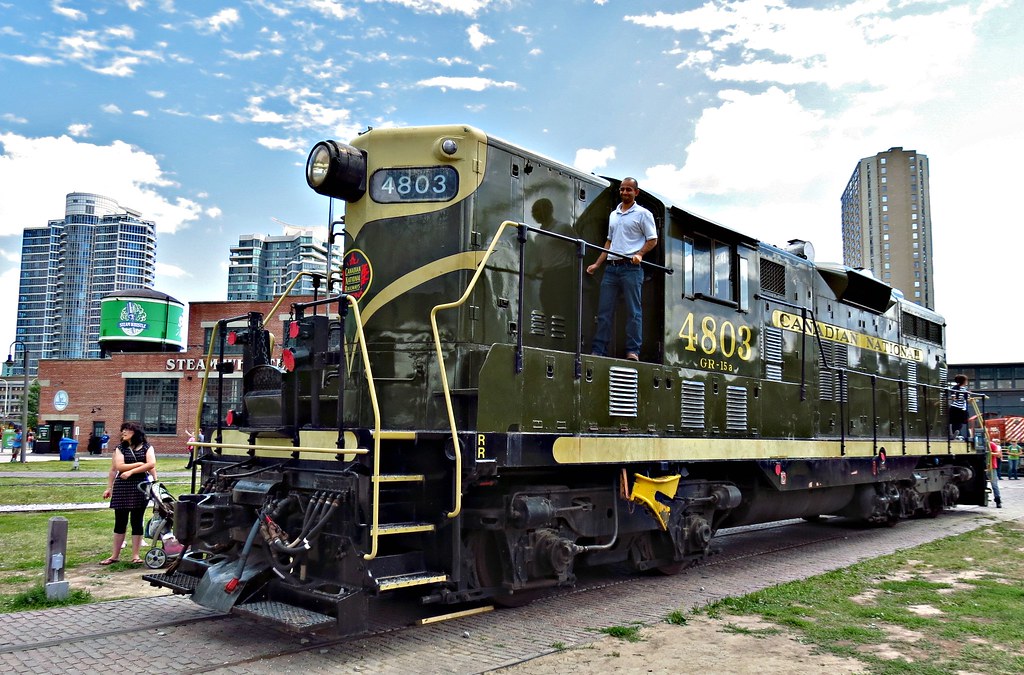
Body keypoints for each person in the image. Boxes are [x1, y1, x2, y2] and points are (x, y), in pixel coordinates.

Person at [586, 178, 658, 361]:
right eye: (622, 189)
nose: (625, 192)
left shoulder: (643, 214)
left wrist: (640, 254)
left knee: (633, 311)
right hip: (611, 268)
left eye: (628, 190)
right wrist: (597, 264)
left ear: (636, 192)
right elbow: (609, 242)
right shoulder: (614, 214)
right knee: (604, 311)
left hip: (631, 269)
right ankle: (599, 350)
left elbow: (653, 239)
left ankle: (633, 351)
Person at [101, 422, 157, 565]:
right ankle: (115, 555)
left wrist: (132, 471)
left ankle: (135, 555)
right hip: (122, 486)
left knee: (137, 521)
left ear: (136, 432)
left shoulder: (147, 447)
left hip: (140, 487)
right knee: (120, 521)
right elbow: (118, 467)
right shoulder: (120, 448)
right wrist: (139, 464)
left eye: (127, 430)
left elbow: (151, 464)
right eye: (123, 430)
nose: (123, 432)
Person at [947, 374, 969, 440]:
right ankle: (954, 434)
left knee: (957, 422)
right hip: (958, 408)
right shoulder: (958, 388)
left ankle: (955, 433)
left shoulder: (963, 389)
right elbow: (954, 397)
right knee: (957, 422)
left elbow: (966, 398)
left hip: (958, 408)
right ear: (964, 381)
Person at [989, 439, 1002, 508]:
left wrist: (990, 453)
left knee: (994, 484)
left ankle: (998, 500)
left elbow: (998, 455)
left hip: (991, 467)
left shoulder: (992, 444)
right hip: (983, 466)